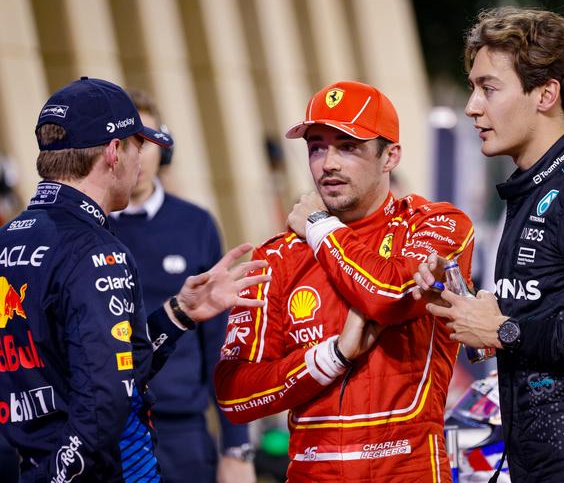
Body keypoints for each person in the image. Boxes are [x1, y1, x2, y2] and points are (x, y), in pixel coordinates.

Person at [415, 7, 564, 482]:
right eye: (472, 86)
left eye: (488, 87)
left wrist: (506, 330)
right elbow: (550, 314)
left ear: (546, 93)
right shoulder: (535, 191)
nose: (471, 106)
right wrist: (464, 303)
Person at [0, 77, 269, 482]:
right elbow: (105, 397)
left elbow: (112, 365)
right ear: (113, 152)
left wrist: (178, 314)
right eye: (137, 147)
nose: (141, 161)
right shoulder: (96, 248)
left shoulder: (10, 237)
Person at [215, 80, 475, 482]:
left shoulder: (437, 224)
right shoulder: (277, 255)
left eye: (347, 147)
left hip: (411, 471)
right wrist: (331, 357)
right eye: (316, 147)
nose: (327, 163)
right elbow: (234, 395)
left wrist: (319, 227)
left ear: (390, 156)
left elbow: (389, 295)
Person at [109, 89, 255, 483]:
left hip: (184, 432)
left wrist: (236, 446)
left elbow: (220, 341)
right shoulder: (88, 229)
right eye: (127, 143)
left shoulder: (196, 224)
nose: (138, 155)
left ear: (164, 150)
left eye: (147, 141)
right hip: (108, 431)